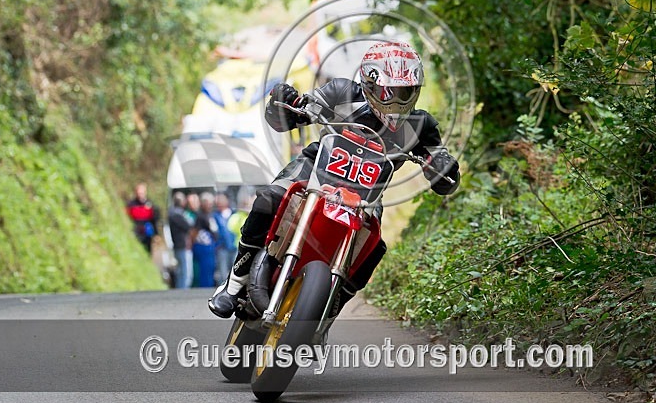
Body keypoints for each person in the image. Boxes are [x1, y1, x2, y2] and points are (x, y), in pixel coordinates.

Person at [209, 41, 460, 319]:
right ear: (370, 84)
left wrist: (443, 168)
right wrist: (289, 104)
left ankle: (324, 315)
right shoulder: (342, 92)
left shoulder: (421, 125)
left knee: (374, 248)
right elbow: (289, 116)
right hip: (313, 171)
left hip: (366, 197)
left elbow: (442, 169)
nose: (397, 101)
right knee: (270, 198)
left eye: (406, 92)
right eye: (390, 92)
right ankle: (233, 285)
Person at [168, 191, 193, 289]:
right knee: (183, 271)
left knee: (183, 270)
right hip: (180, 245)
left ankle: (182, 288)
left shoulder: (174, 213)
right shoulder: (176, 214)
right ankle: (182, 290)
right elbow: (187, 225)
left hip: (180, 245)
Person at [193, 192, 218, 288]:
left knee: (210, 268)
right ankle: (204, 287)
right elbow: (195, 231)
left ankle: (209, 285)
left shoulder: (210, 215)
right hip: (203, 246)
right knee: (205, 269)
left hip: (211, 246)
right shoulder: (200, 216)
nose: (210, 205)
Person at [126, 183, 160, 253]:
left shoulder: (150, 204)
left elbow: (154, 220)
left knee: (148, 250)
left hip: (147, 232)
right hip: (136, 230)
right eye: (138, 193)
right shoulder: (131, 204)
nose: (140, 194)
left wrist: (156, 234)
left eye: (142, 193)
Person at [213, 193, 237, 287]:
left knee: (235, 270)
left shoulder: (234, 213)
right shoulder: (215, 215)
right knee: (222, 271)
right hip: (222, 247)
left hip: (234, 246)